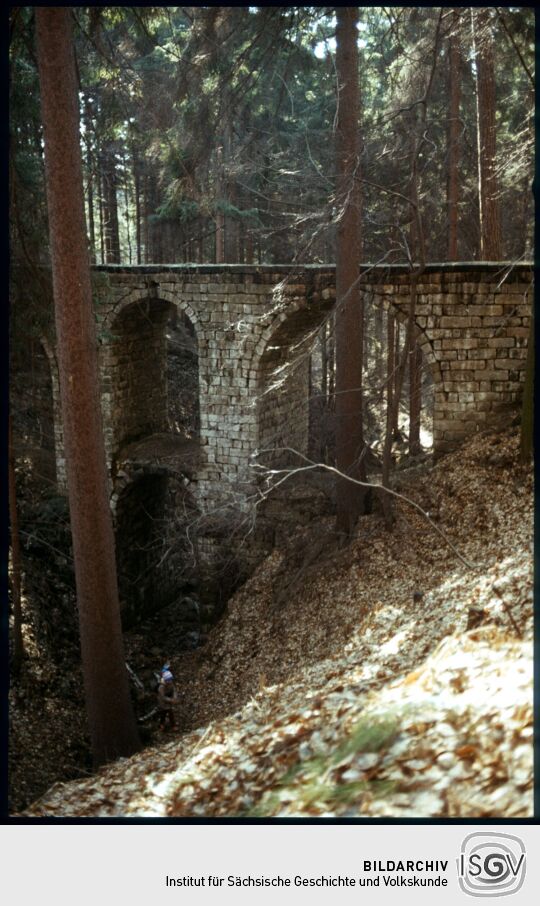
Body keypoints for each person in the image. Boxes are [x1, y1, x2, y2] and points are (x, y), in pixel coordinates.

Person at [157, 663, 177, 731]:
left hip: (169, 699)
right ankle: (161, 725)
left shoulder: (171, 684)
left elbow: (174, 690)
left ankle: (173, 725)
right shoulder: (161, 687)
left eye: (171, 679)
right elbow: (162, 697)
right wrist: (171, 700)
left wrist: (174, 697)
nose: (170, 681)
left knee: (171, 713)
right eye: (169, 680)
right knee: (163, 714)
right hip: (162, 702)